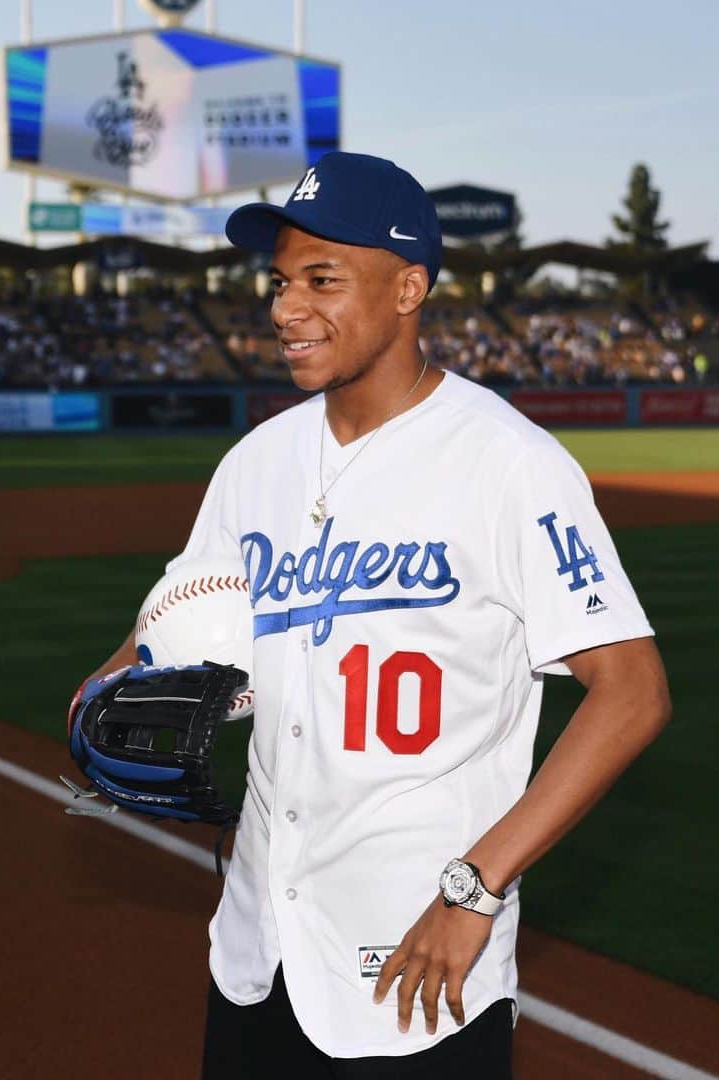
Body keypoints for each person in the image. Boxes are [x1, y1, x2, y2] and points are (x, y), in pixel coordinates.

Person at [81, 152, 671, 1078]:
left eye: (322, 278)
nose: (284, 308)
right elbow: (171, 626)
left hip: (414, 968)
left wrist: (474, 889)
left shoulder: (509, 463)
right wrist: (106, 686)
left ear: (408, 289)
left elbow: (631, 693)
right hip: (255, 954)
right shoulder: (255, 465)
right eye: (279, 281)